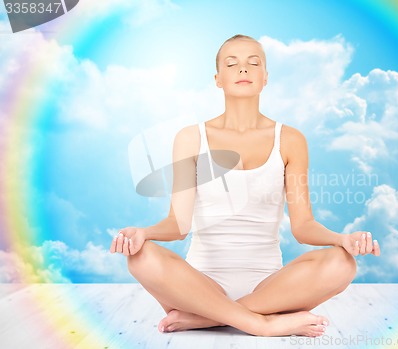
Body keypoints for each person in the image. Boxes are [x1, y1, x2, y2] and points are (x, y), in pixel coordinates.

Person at [109, 34, 381, 337]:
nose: (243, 70)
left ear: (265, 78)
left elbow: (303, 226)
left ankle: (207, 317)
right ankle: (259, 322)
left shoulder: (290, 140)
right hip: (199, 283)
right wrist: (143, 233)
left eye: (253, 63)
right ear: (218, 79)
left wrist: (342, 239)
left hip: (270, 286)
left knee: (343, 264)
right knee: (141, 257)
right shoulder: (190, 138)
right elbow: (178, 224)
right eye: (232, 64)